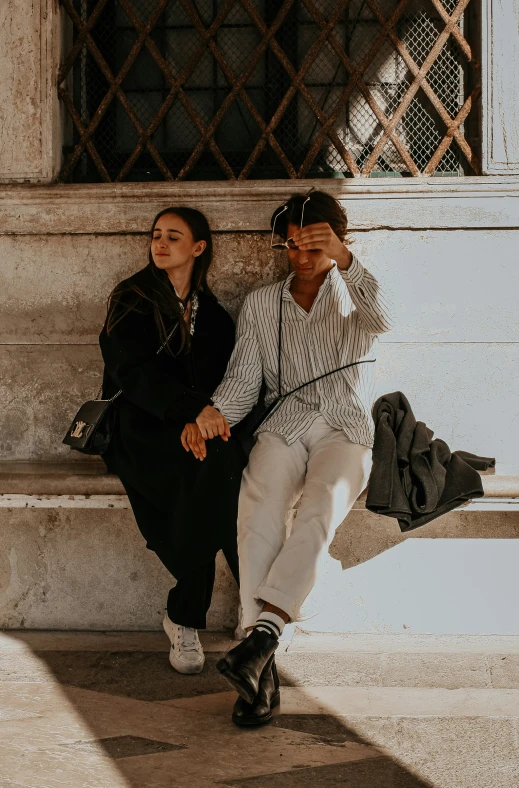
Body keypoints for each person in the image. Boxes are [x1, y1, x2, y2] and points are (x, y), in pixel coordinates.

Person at [191, 190, 392, 726]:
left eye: (315, 246)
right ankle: (261, 656)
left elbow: (387, 319)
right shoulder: (262, 304)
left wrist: (346, 262)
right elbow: (242, 381)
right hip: (286, 422)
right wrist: (215, 413)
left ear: (337, 240)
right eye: (293, 247)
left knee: (321, 505)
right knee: (257, 507)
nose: (302, 259)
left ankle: (260, 640)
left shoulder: (356, 291)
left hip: (346, 427)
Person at [99, 206, 243, 675]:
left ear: (198, 248)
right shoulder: (132, 297)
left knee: (221, 466)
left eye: (173, 237)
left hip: (187, 428)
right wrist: (188, 413)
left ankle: (184, 616)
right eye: (156, 235)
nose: (159, 244)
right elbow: (131, 372)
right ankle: (254, 609)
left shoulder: (215, 316)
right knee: (202, 488)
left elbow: (219, 379)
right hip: (137, 429)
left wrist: (197, 421)